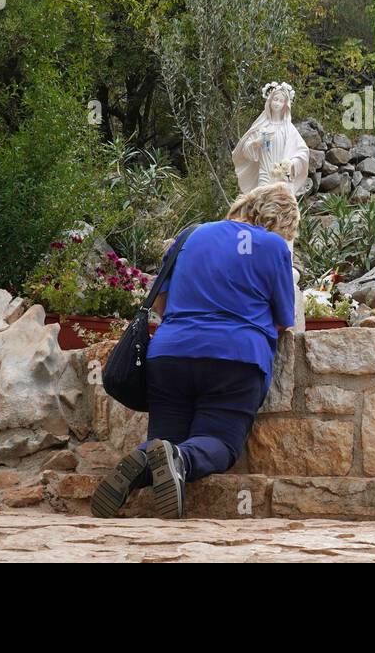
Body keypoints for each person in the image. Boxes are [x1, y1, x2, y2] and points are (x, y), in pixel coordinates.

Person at [91, 181, 298, 519]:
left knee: (165, 439)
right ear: (282, 223)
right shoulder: (273, 247)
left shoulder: (192, 235)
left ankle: (144, 458)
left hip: (170, 354)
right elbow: (283, 320)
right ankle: (181, 459)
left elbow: (160, 300)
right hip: (235, 359)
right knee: (221, 442)